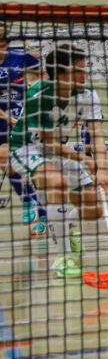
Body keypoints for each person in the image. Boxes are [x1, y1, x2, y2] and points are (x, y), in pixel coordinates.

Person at [10, 44, 108, 278]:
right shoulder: (39, 96)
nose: (85, 74)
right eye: (79, 70)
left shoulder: (88, 95)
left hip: (58, 150)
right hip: (27, 148)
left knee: (94, 209)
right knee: (58, 183)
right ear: (61, 73)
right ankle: (63, 258)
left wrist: (102, 169)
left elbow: (96, 134)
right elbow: (48, 143)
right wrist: (83, 158)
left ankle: (67, 226)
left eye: (85, 68)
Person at [0, 21, 43, 230]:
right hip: (1, 117)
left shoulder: (21, 57)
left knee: (28, 165)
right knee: (6, 164)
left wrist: (33, 91)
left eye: (3, 38)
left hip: (21, 114)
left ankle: (41, 211)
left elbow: (42, 79)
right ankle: (29, 201)